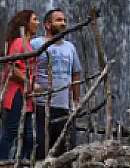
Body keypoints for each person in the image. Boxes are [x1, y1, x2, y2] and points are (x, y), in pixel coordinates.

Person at [31, 9, 82, 159]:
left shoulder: (70, 47)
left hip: (65, 107)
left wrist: (76, 101)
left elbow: (76, 74)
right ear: (47, 25)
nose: (63, 23)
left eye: (64, 20)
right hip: (41, 106)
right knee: (41, 148)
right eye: (59, 20)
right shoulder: (35, 44)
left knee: (66, 150)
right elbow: (24, 68)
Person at [0, 9, 41, 161]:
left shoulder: (28, 44)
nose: (38, 23)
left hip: (26, 95)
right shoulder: (18, 42)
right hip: (17, 93)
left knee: (29, 135)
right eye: (35, 19)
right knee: (12, 130)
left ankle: (21, 161)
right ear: (26, 22)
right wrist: (28, 82)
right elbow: (11, 68)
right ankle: (3, 162)